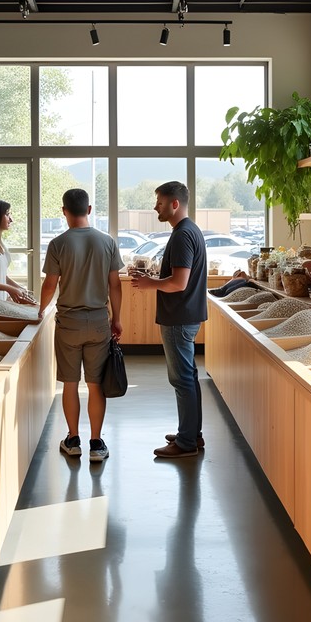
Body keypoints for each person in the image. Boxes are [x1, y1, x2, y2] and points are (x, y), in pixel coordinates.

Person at [38, 188, 123, 462]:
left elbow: (50, 284)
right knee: (96, 384)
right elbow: (115, 285)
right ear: (88, 210)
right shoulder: (107, 242)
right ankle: (96, 444)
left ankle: (72, 440)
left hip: (69, 324)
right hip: (99, 321)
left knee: (70, 383)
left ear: (64, 212)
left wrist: (40, 310)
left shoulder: (58, 244)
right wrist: (117, 319)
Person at [130, 181, 207, 458]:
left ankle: (186, 442)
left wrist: (149, 283)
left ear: (175, 204)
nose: (155, 207)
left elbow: (178, 283)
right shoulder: (190, 230)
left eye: (160, 203)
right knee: (189, 377)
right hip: (186, 316)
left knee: (182, 379)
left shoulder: (183, 234)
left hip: (178, 318)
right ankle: (192, 434)